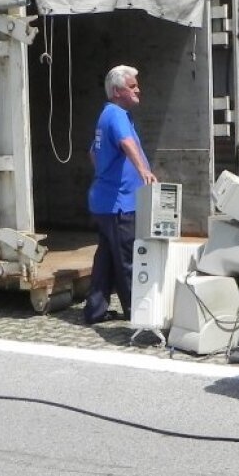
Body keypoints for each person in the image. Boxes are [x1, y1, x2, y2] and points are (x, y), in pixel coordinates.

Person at [85, 65, 157, 325]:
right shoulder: (117, 115)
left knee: (105, 258)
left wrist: (105, 175)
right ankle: (136, 313)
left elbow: (93, 152)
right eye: (133, 86)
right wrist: (144, 172)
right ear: (117, 91)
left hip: (105, 201)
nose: (139, 90)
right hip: (119, 204)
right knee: (127, 259)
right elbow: (127, 144)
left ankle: (95, 310)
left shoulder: (107, 115)